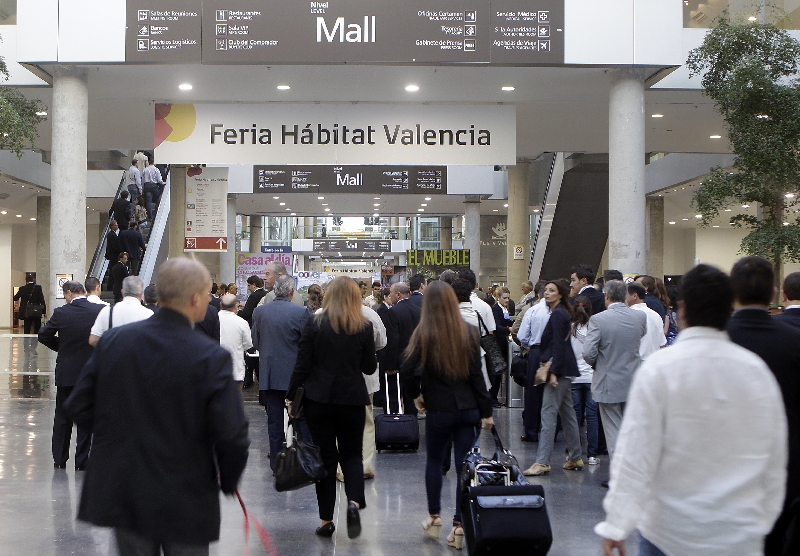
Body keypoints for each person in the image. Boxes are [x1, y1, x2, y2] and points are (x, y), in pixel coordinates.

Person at [596, 264, 788, 556]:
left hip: (668, 531)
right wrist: (762, 519)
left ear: (682, 311)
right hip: (738, 533)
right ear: (730, 308)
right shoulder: (756, 372)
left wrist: (617, 524)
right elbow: (775, 458)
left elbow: (636, 454)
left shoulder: (660, 371)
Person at [64, 258, 250, 556]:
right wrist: (227, 480)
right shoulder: (209, 357)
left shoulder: (115, 342)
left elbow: (79, 405)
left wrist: (118, 438)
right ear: (194, 299)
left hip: (127, 487)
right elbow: (232, 433)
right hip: (186, 491)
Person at [400, 281, 494, 550]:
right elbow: (477, 376)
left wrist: (417, 396)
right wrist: (486, 412)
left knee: (434, 463)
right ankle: (459, 525)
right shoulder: (470, 331)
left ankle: (434, 516)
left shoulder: (425, 334)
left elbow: (406, 369)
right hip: (468, 410)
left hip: (439, 410)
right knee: (465, 468)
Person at [286, 277, 376, 539]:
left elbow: (302, 364)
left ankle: (326, 521)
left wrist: (292, 397)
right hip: (352, 399)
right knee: (351, 454)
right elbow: (369, 367)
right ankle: (354, 502)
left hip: (319, 400)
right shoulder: (364, 326)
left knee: (324, 459)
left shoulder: (314, 324)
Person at [726, 256, 800, 555]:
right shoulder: (794, 340)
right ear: (773, 293)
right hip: (788, 470)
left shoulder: (718, 340)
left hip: (727, 474)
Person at [38, 280, 104, 470]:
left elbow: (43, 335)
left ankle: (59, 459)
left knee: (63, 416)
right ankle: (82, 460)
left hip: (67, 372)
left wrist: (62, 347)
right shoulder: (97, 311)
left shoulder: (62, 313)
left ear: (68, 293)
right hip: (90, 372)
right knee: (86, 417)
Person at [582, 280, 646, 466]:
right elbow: (640, 336)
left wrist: (598, 363)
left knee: (613, 429)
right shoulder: (639, 317)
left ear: (606, 296)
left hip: (608, 379)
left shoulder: (599, 319)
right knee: (630, 428)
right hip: (633, 378)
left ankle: (619, 472)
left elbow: (588, 352)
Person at [523, 281, 584, 476]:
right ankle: (575, 456)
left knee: (548, 413)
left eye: (552, 291)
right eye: (546, 290)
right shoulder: (562, 313)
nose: (546, 293)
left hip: (558, 368)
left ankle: (542, 461)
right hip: (565, 367)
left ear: (560, 294)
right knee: (567, 414)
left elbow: (558, 345)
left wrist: (554, 372)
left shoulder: (558, 315)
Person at [251, 275, 310, 470]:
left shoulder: (260, 312)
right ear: (292, 292)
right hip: (295, 377)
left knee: (274, 424)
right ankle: (305, 462)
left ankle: (277, 465)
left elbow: (256, 343)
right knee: (301, 421)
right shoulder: (302, 312)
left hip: (269, 375)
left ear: (274, 291)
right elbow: (307, 346)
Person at [517, 282, 552, 442]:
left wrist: (528, 345)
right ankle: (552, 430)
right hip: (554, 352)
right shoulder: (559, 311)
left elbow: (522, 336)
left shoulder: (533, 310)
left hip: (536, 352)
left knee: (533, 392)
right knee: (552, 391)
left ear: (537, 294)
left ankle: (531, 431)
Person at [383, 282, 422, 415]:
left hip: (399, 364)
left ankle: (396, 426)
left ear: (398, 294)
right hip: (416, 362)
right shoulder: (418, 310)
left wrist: (390, 364)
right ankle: (412, 426)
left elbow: (393, 339)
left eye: (391, 293)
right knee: (412, 399)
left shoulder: (393, 312)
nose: (391, 296)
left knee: (396, 398)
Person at [570, 295, 599, 465]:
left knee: (574, 416)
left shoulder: (569, 328)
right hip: (592, 377)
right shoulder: (595, 328)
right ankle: (593, 454)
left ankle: (574, 454)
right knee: (592, 416)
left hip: (574, 377)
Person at [89, 276, 153, 347]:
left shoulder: (108, 310)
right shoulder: (149, 314)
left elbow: (93, 340)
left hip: (113, 356)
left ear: (122, 292)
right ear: (141, 293)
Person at [218, 293, 253, 386]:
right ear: (235, 305)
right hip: (235, 370)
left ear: (221, 305)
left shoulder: (214, 319)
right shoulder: (242, 323)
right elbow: (248, 344)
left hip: (215, 370)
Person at [625, 282, 667, 358]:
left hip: (635, 362)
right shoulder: (655, 315)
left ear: (635, 295)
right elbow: (662, 343)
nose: (624, 298)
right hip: (654, 361)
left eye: (626, 295)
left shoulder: (628, 315)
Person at [489, 286, 513, 408]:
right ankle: (493, 398)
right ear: (498, 297)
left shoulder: (504, 309)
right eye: (505, 298)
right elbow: (497, 326)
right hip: (497, 344)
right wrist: (509, 330)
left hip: (501, 343)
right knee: (496, 373)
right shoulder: (496, 309)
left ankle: (495, 398)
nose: (507, 300)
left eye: (508, 298)